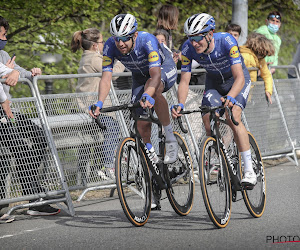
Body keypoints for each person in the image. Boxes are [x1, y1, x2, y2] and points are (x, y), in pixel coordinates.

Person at [89, 14, 179, 208]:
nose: (121, 43)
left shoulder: (147, 40)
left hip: (162, 69)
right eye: (117, 39)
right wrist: (99, 103)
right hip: (139, 76)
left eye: (125, 38)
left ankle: (170, 136)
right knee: (140, 124)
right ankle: (153, 162)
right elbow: (106, 78)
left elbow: (155, 76)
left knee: (153, 91)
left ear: (135, 35)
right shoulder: (110, 47)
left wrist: (148, 94)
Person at [171, 13, 256, 186]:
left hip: (237, 81)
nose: (194, 43)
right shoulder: (188, 49)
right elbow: (185, 81)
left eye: (198, 38)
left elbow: (239, 76)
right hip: (214, 83)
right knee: (207, 116)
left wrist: (231, 97)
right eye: (190, 38)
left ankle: (249, 170)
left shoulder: (226, 41)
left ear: (210, 34)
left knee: (234, 114)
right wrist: (180, 103)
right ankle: (221, 155)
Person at [0, 16, 60, 216]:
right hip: (3, 112)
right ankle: (32, 199)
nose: (5, 38)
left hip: (10, 111)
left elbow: (19, 73)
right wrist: (10, 73)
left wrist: (33, 72)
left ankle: (33, 196)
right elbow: (7, 76)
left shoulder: (4, 54)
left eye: (5, 35)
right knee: (19, 148)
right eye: (2, 34)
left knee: (39, 136)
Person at [71, 28, 123, 180]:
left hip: (87, 104)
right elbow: (113, 74)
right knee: (112, 128)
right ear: (94, 45)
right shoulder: (94, 58)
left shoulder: (88, 57)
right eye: (101, 42)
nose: (103, 44)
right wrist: (121, 60)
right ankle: (108, 166)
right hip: (94, 106)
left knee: (106, 133)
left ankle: (98, 169)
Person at [239, 32, 275, 104]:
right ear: (257, 50)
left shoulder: (260, 60)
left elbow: (267, 75)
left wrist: (268, 91)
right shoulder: (245, 56)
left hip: (248, 93)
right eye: (263, 54)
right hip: (238, 92)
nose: (263, 57)